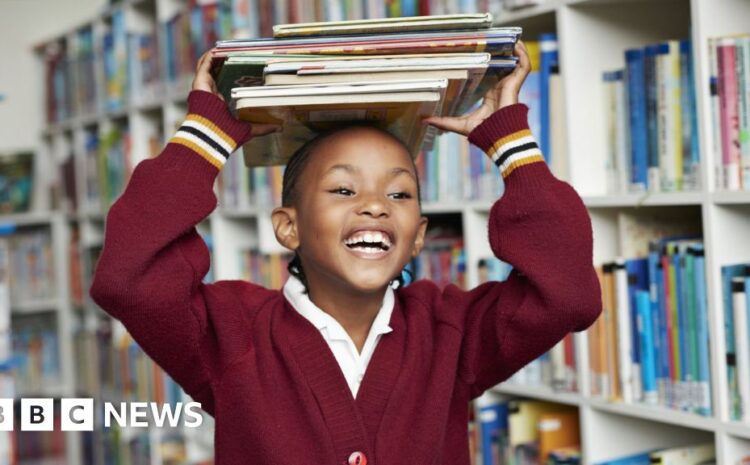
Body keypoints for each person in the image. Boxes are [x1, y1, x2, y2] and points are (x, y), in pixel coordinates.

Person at [90, 40, 601, 465]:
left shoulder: (453, 332)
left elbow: (567, 295)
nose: (376, 206)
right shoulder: (230, 335)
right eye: (343, 190)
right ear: (288, 228)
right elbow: (129, 278)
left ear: (419, 235)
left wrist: (509, 142)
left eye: (399, 194)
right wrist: (204, 140)